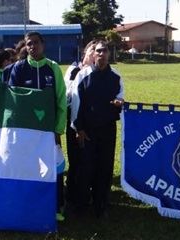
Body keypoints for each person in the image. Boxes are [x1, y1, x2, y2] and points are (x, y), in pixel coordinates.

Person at [8, 31, 67, 221]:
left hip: (49, 132)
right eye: (29, 43)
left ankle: (56, 207)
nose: (32, 46)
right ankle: (28, 203)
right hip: (26, 131)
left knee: (55, 168)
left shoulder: (53, 68)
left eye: (35, 43)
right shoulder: (19, 68)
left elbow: (61, 100)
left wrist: (58, 130)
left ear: (43, 44)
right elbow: (12, 99)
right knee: (27, 167)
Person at [70, 40, 124, 218]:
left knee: (105, 167)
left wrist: (119, 102)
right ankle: (81, 205)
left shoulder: (116, 76)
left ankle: (101, 205)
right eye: (98, 51)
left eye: (105, 51)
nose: (101, 54)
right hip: (87, 130)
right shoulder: (82, 75)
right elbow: (76, 103)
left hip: (108, 129)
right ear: (93, 54)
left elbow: (121, 96)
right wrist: (79, 128)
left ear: (109, 53)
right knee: (86, 167)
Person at [63, 40, 96, 206]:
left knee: (91, 160)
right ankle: (71, 195)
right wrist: (80, 76)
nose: (95, 54)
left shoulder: (100, 72)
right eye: (92, 50)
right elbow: (67, 94)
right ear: (85, 53)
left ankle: (87, 194)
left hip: (93, 124)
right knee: (76, 159)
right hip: (74, 123)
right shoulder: (74, 69)